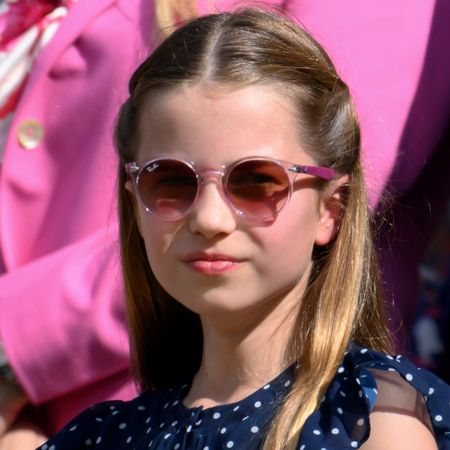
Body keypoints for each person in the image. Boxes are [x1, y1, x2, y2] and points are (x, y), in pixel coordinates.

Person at [37, 8, 450, 450]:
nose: (209, 219)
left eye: (257, 182)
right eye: (170, 181)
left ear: (331, 209)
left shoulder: (367, 423)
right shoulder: (99, 437)